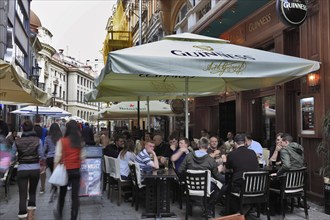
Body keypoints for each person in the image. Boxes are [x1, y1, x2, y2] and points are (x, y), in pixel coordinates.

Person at [178, 137, 225, 217]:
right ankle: (208, 207)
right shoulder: (210, 160)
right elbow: (217, 176)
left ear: (198, 145)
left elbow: (180, 170)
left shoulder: (189, 156)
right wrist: (226, 178)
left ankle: (195, 207)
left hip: (190, 187)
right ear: (208, 146)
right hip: (206, 188)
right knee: (220, 186)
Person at [12, 120, 45, 220]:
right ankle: (31, 216)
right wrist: (42, 166)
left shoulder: (17, 141)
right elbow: (42, 155)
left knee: (22, 194)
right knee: (32, 192)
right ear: (32, 128)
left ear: (22, 129)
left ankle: (22, 216)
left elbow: (12, 155)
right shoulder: (37, 140)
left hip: (22, 169)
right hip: (35, 169)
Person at [53, 120, 85, 220]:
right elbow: (82, 157)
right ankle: (73, 217)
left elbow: (57, 158)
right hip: (76, 170)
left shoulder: (62, 141)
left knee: (62, 194)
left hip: (65, 170)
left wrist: (55, 172)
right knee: (75, 196)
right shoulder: (80, 141)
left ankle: (60, 213)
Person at [43, 123, 63, 199]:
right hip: (58, 158)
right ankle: (57, 185)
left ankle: (54, 186)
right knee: (58, 172)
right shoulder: (61, 138)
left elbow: (44, 149)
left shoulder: (47, 138)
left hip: (50, 158)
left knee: (52, 173)